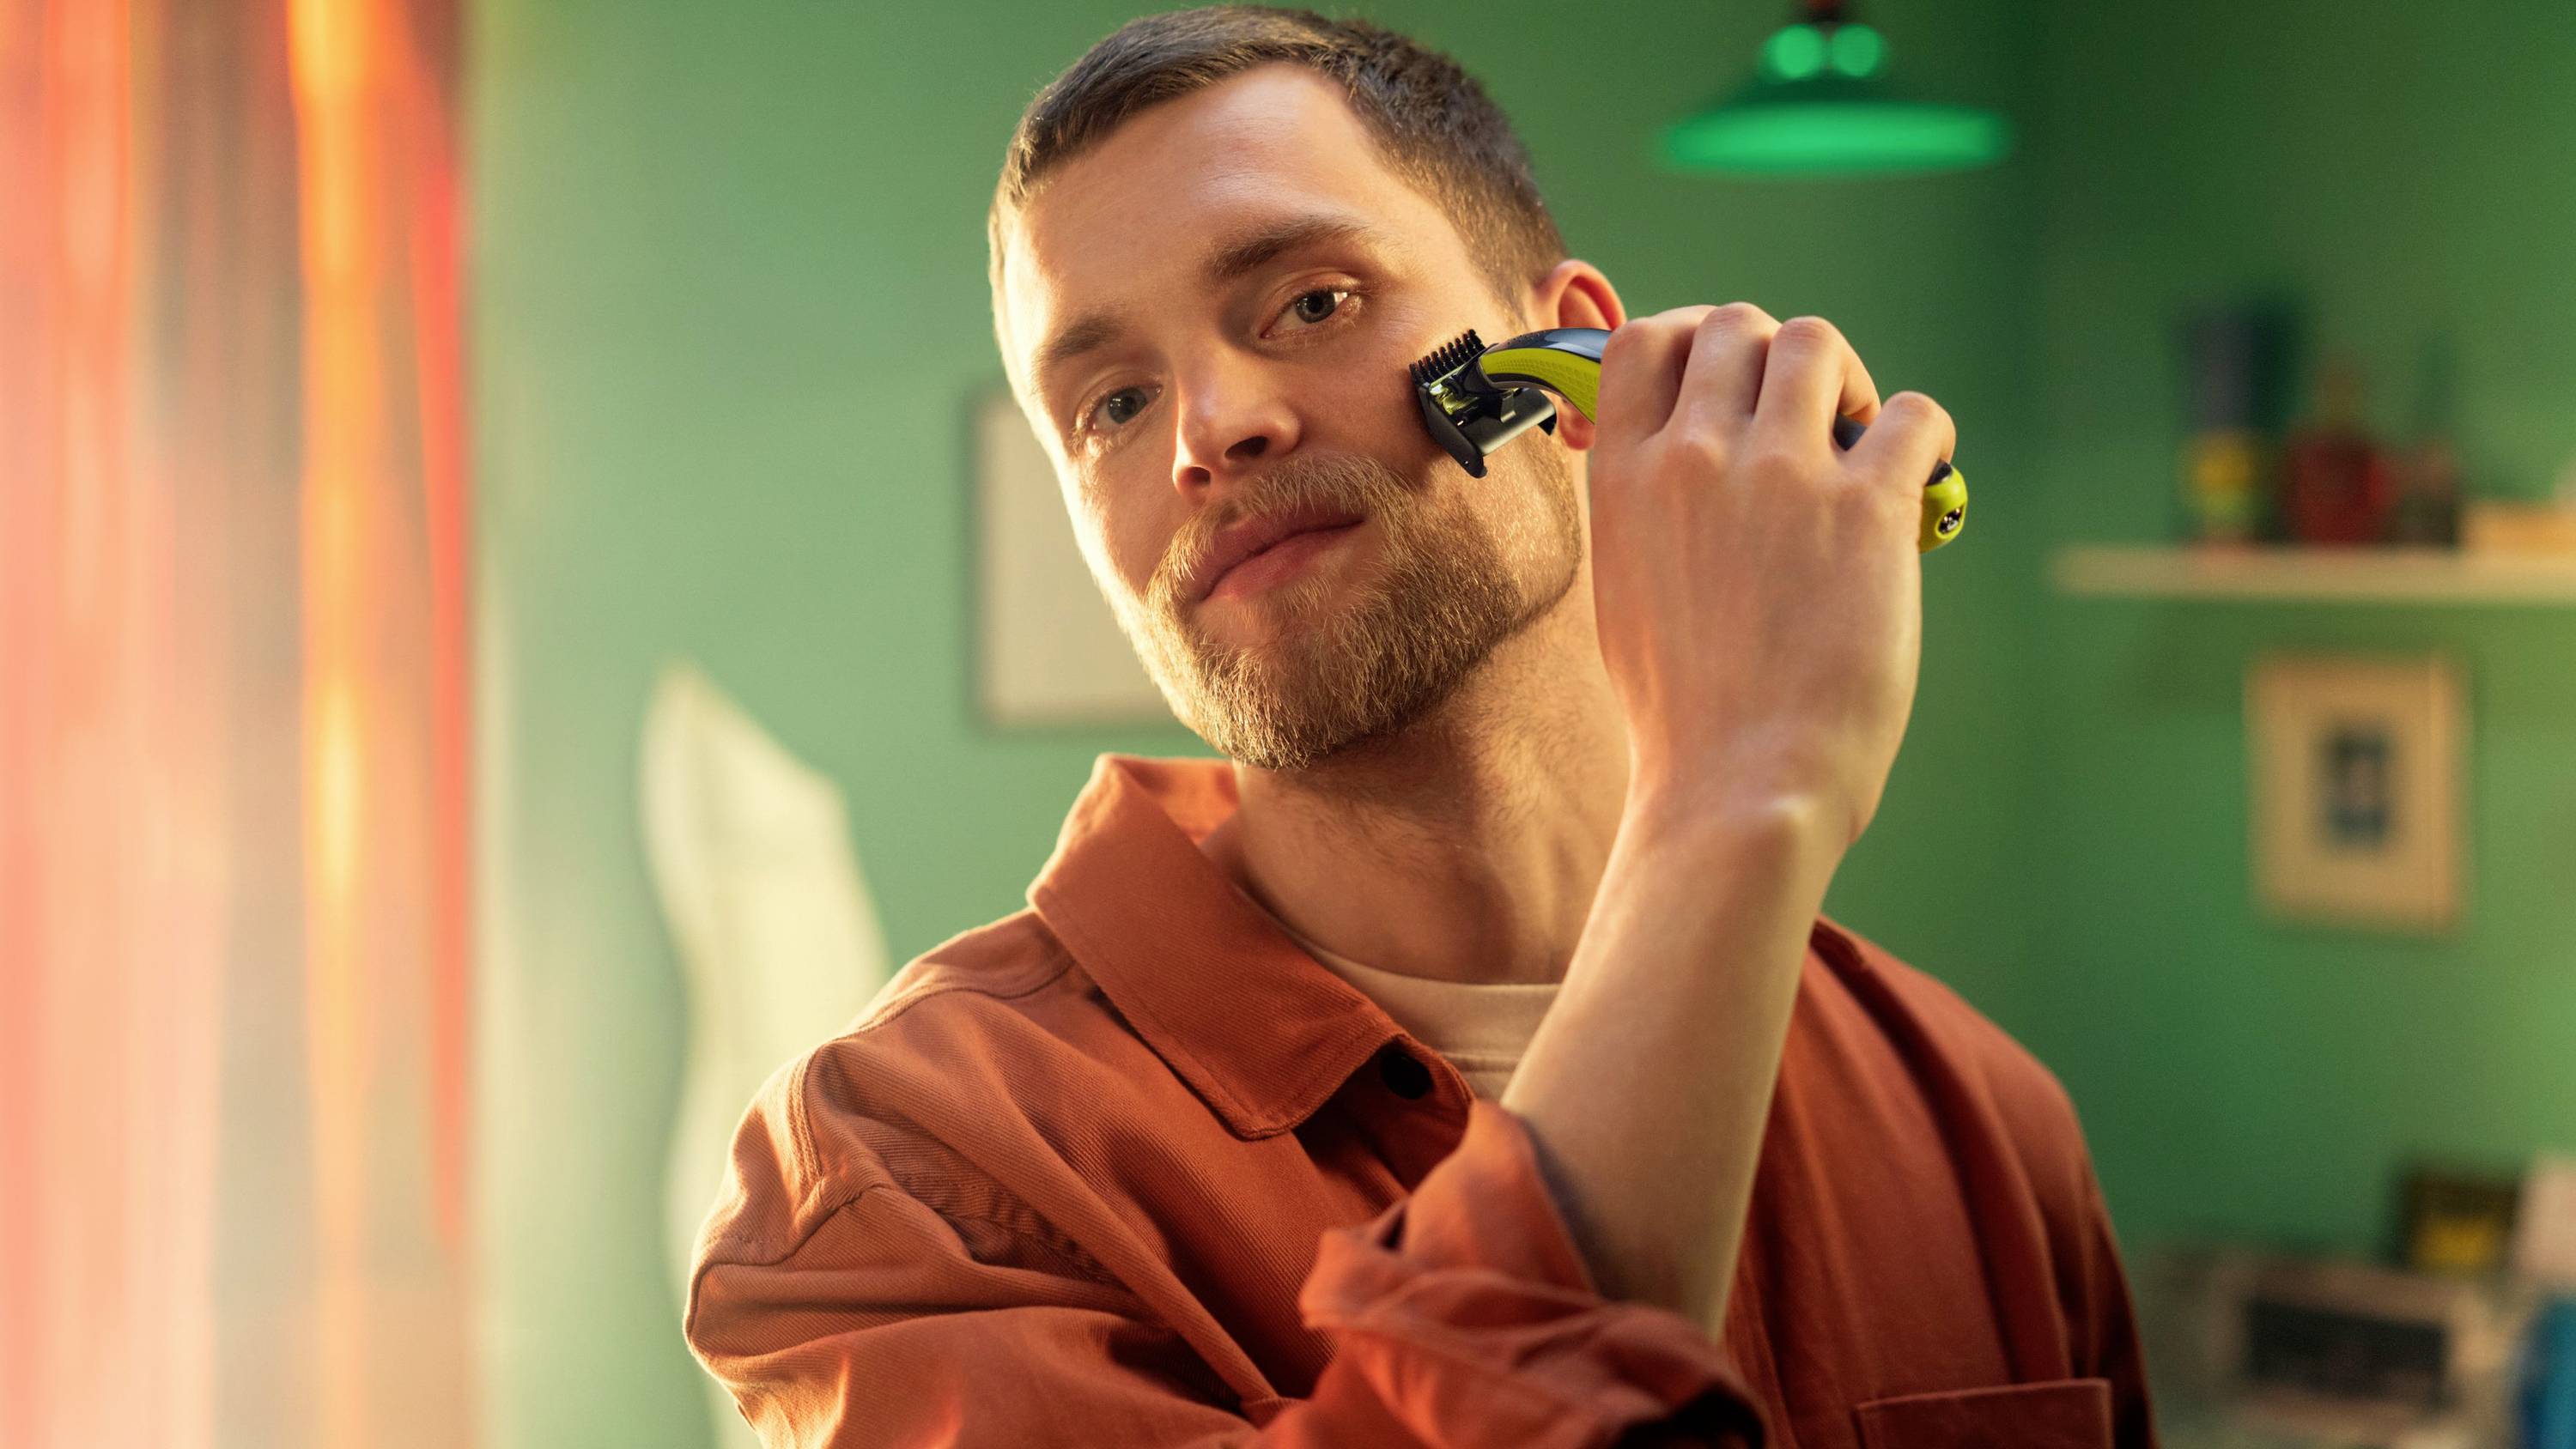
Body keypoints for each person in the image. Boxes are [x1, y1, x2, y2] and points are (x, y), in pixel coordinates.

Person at [683, 7, 2158, 1446]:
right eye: (1113, 404)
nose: (1210, 431)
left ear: (1571, 363)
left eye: (1311, 303)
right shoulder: (902, 1190)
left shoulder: (1981, 1126)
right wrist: (1739, 793)